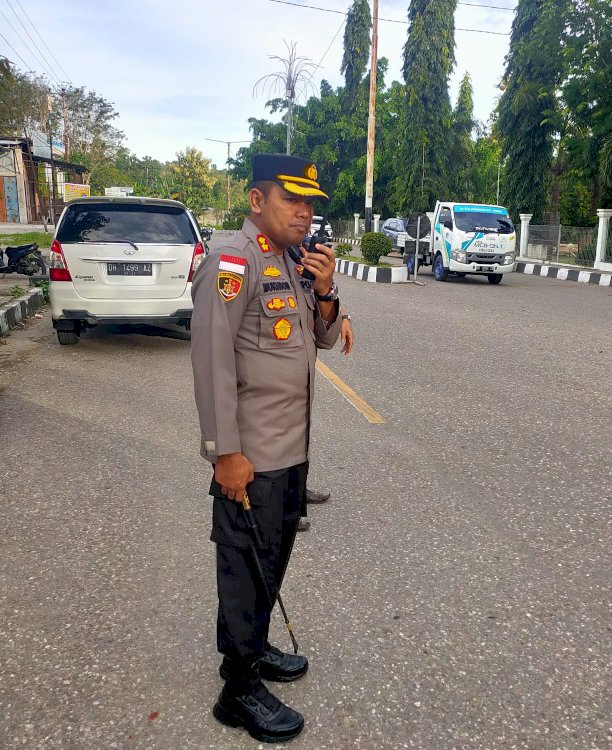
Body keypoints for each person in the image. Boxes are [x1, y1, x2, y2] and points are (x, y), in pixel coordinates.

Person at [191, 153, 342, 743]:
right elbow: (211, 358)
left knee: (271, 559)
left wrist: (327, 291)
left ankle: (255, 652)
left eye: (310, 203)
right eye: (292, 200)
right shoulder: (235, 261)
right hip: (249, 458)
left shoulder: (294, 263)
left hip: (289, 451)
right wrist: (224, 451)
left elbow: (322, 339)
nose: (304, 213)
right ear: (257, 201)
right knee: (243, 569)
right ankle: (238, 688)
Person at [298, 312, 354, 531]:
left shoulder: (301, 277)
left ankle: (296, 492)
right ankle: (282, 509)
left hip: (301, 363)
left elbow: (321, 293)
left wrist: (345, 317)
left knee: (300, 431)